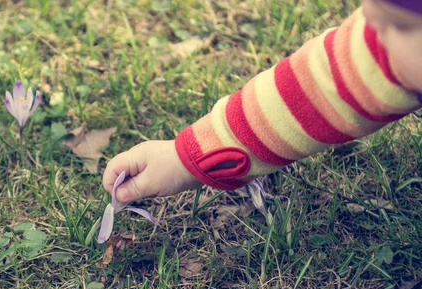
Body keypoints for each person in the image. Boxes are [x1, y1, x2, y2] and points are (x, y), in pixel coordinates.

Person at [102, 0, 422, 205]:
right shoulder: (385, 51)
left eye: (400, 24)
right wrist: (190, 157)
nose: (369, 19)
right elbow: (318, 91)